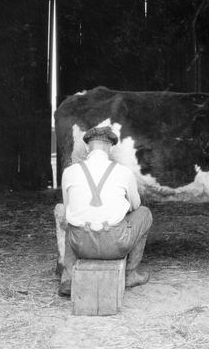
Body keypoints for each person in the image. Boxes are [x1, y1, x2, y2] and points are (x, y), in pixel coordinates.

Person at [58, 126, 152, 296]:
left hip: (80, 245)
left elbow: (68, 207)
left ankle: (69, 277)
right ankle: (131, 274)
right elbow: (136, 206)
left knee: (66, 213)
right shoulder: (124, 172)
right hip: (114, 245)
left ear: (87, 148)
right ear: (111, 148)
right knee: (145, 213)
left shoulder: (69, 172)